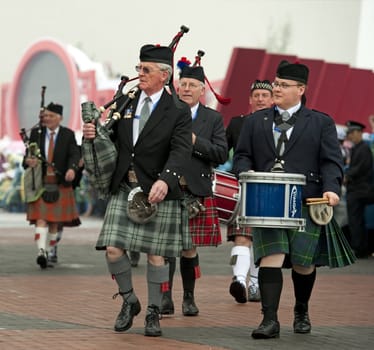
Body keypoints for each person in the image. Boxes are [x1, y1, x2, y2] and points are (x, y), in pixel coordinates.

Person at [82, 44, 192, 337]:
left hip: (157, 189)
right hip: (124, 185)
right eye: (139, 68)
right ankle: (129, 300)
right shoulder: (125, 103)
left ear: (164, 75)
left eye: (146, 70)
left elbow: (181, 151)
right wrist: (94, 134)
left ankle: (154, 312)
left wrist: (166, 180)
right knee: (113, 248)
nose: (139, 74)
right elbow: (111, 138)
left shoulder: (178, 111)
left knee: (156, 255)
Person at [233, 60, 345, 339]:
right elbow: (242, 154)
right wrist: (244, 172)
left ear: (301, 89)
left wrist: (332, 188)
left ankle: (301, 309)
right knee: (271, 256)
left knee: (303, 263)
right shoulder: (255, 121)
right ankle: (269, 320)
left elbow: (332, 162)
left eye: (283, 85)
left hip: (306, 200)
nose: (277, 88)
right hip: (266, 199)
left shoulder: (320, 122)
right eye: (276, 83)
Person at [160, 63, 228, 316]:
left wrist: (195, 142)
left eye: (192, 85)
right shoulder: (165, 113)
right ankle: (165, 296)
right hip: (167, 188)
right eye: (183, 84)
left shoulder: (213, 118)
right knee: (165, 247)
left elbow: (221, 153)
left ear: (202, 90)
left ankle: (189, 297)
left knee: (189, 247)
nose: (186, 89)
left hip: (194, 191)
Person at [226, 79, 273, 304]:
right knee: (242, 236)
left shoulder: (281, 125)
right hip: (244, 186)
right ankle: (239, 281)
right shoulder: (237, 123)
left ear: (272, 99)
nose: (261, 99)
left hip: (273, 188)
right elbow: (219, 151)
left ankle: (254, 284)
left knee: (262, 239)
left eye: (265, 95)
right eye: (257, 95)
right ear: (250, 100)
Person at [23, 102, 81, 269]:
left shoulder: (68, 135)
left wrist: (72, 169)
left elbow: (74, 154)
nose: (46, 119)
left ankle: (48, 251)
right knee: (41, 219)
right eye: (45, 116)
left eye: (50, 116)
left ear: (59, 118)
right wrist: (29, 161)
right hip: (40, 184)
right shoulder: (36, 133)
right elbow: (27, 156)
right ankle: (41, 252)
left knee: (55, 223)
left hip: (60, 183)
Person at [345, 120, 374, 258]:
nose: (349, 136)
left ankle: (359, 248)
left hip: (359, 190)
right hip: (358, 189)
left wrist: (346, 176)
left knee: (355, 220)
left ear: (358, 133)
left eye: (351, 133)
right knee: (357, 220)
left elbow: (359, 169)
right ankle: (360, 247)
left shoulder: (363, 149)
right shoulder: (358, 148)